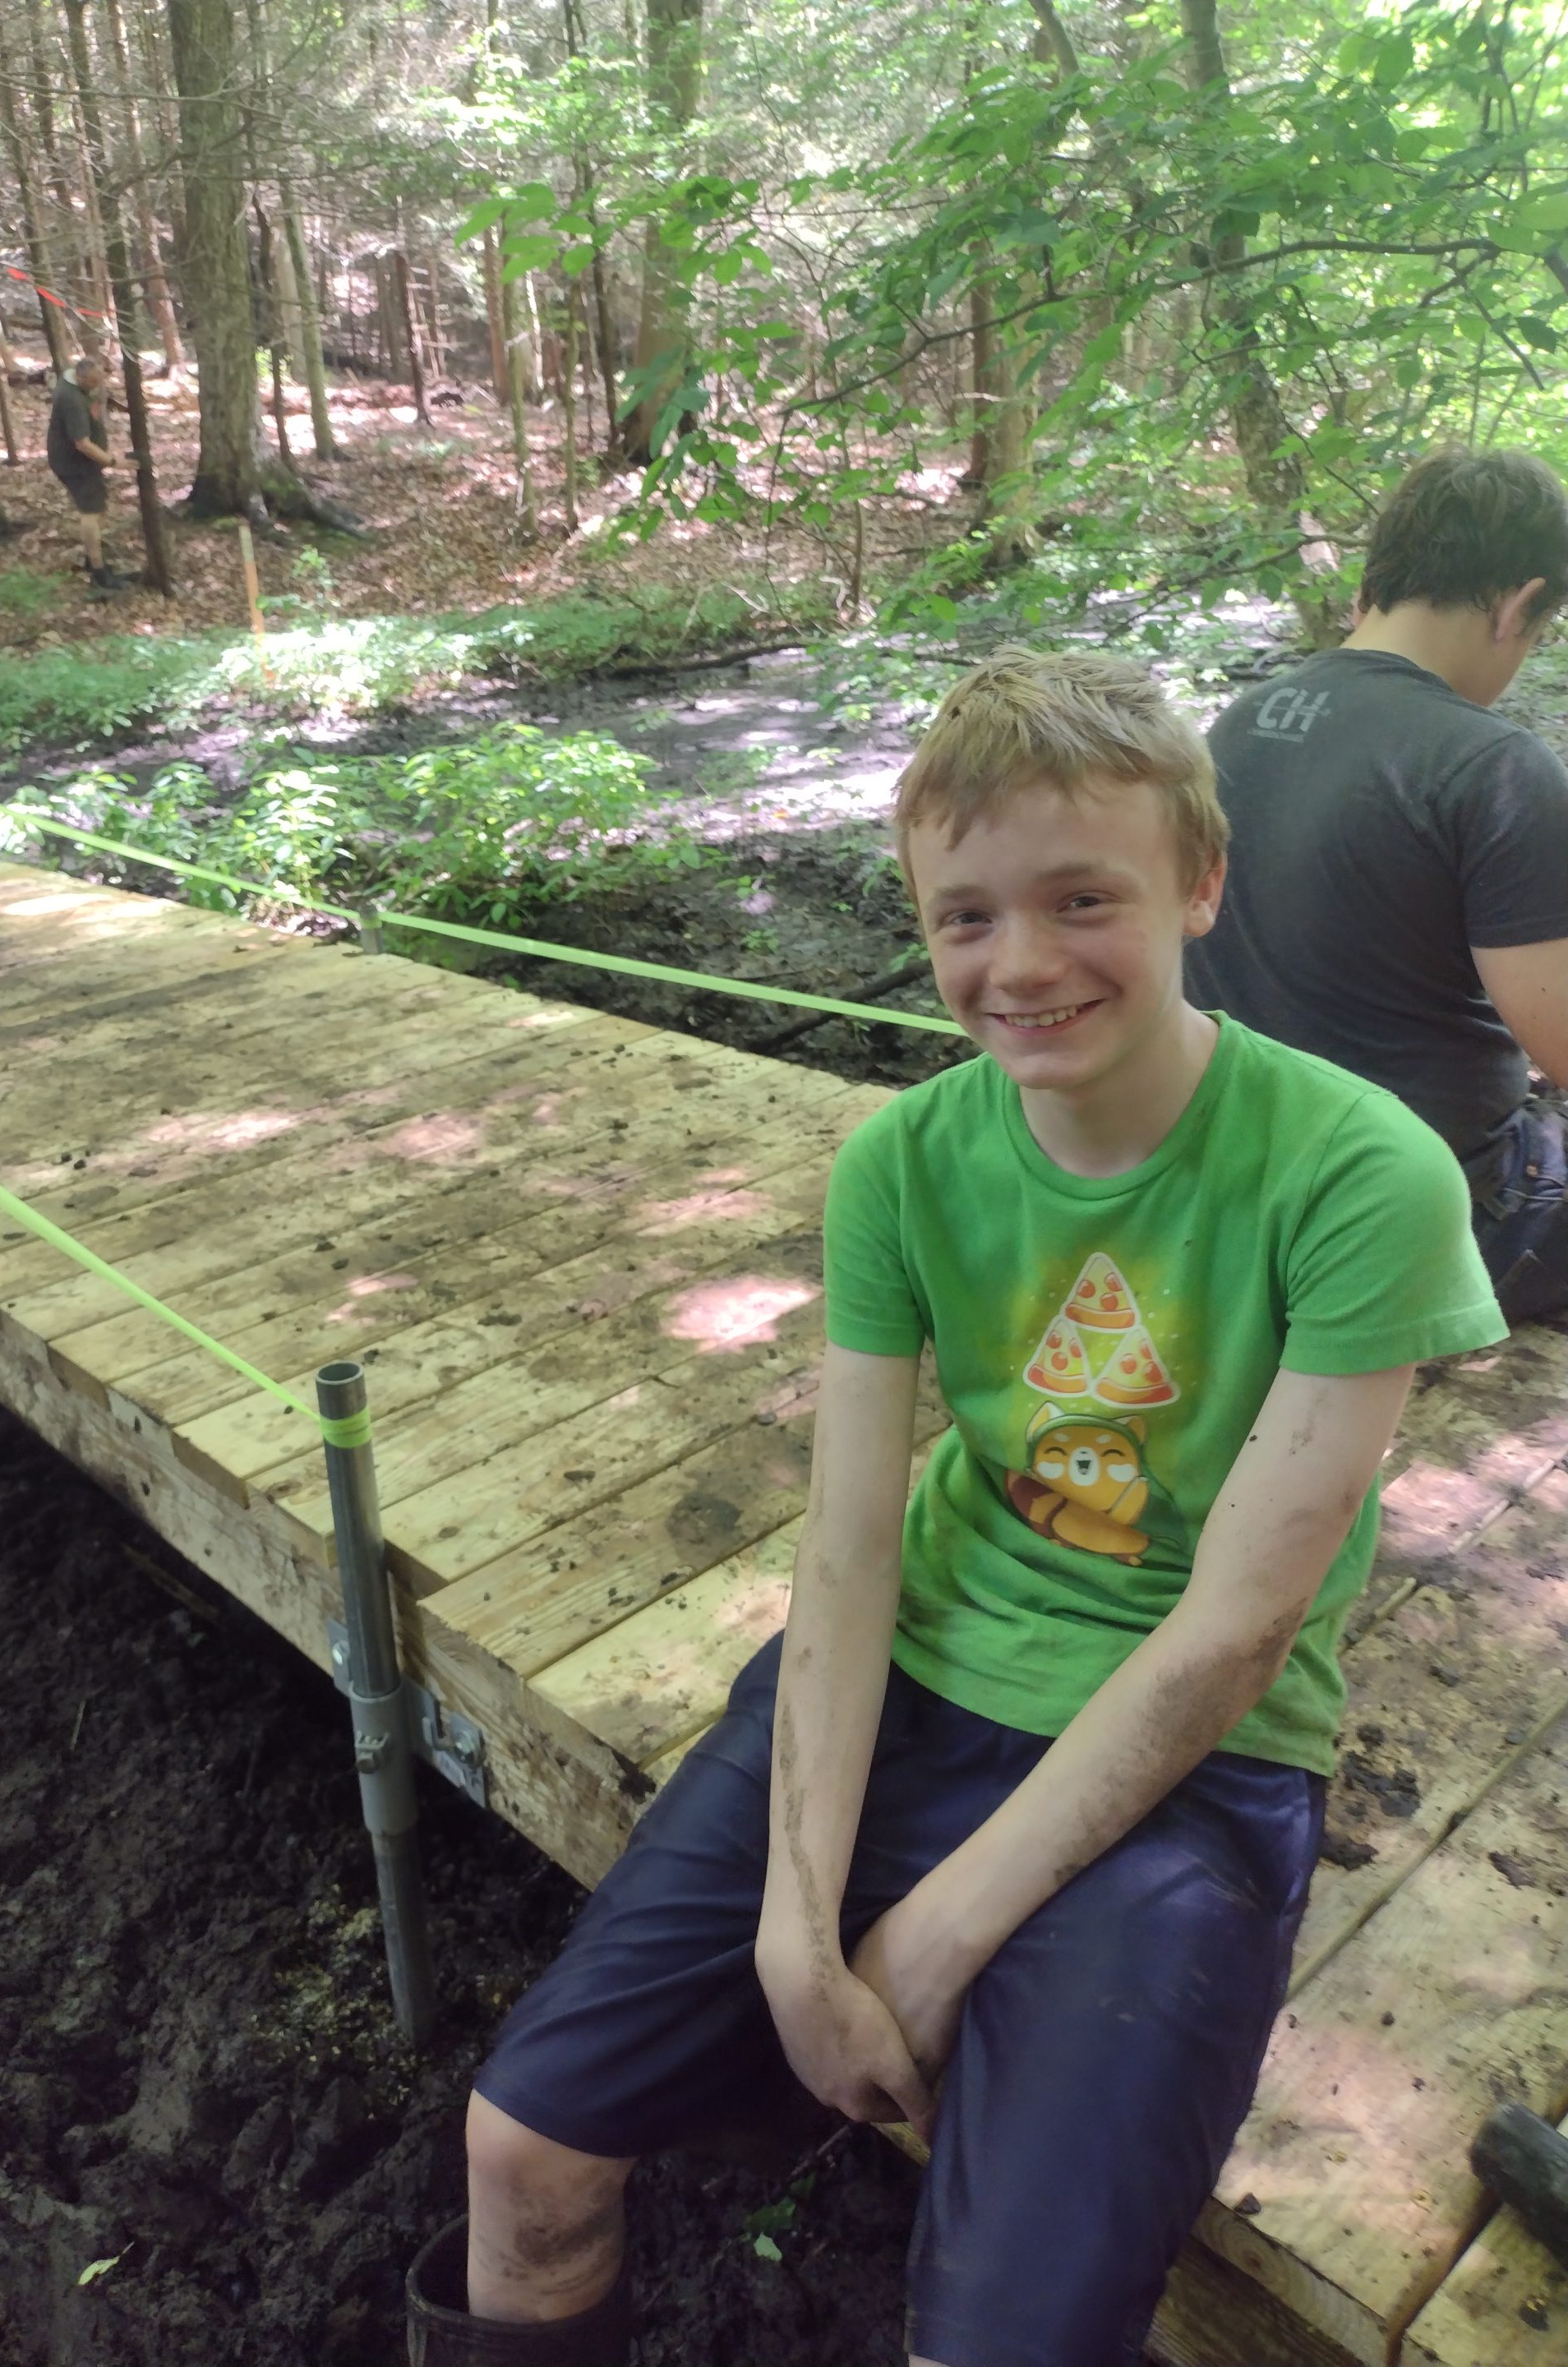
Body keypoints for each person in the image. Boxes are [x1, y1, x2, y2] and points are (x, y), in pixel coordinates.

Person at [403, 648, 1506, 2367]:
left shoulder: (1361, 1175)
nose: (1024, 966)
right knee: (520, 2147)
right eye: (966, 918)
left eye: (1084, 900)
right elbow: (843, 1554)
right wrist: (796, 1925)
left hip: (1194, 1775)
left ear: (1201, 884)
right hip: (907, 1688)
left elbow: (1236, 1627)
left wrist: (931, 1937)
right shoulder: (902, 1162)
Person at [1187, 445, 1568, 1320]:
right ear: (1521, 605)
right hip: (1433, 1216)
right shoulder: (1494, 765)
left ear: (1373, 586)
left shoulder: (1242, 721)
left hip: (1238, 1195)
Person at [45, 348, 124, 591]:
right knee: (91, 512)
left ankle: (93, 558)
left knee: (99, 508)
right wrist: (113, 462)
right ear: (82, 378)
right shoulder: (72, 399)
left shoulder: (73, 379)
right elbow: (82, 444)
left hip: (85, 462)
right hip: (74, 463)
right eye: (93, 383)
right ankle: (98, 572)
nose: (97, 387)